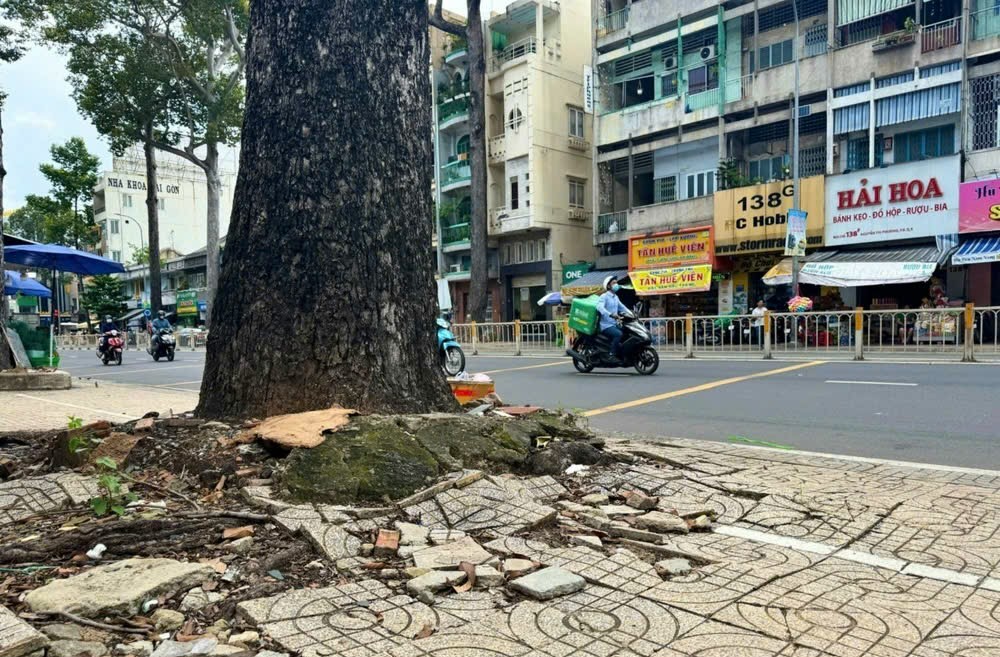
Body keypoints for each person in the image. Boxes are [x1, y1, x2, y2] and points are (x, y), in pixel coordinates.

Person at [597, 276, 629, 362]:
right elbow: (599, 307)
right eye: (613, 283)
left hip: (614, 324)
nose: (616, 284)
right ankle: (611, 355)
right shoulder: (604, 296)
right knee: (618, 334)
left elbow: (622, 307)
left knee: (627, 331)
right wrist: (610, 314)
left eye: (616, 282)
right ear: (608, 286)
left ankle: (622, 353)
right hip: (606, 325)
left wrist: (631, 313)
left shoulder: (615, 297)